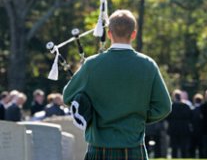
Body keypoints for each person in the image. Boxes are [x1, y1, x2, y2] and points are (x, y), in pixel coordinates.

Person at [63, 9, 172, 160]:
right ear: (133, 34)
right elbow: (164, 107)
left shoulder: (92, 65)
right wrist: (138, 117)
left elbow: (68, 96)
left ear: (109, 34)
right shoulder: (148, 65)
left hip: (99, 149)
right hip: (133, 147)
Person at [167, 89, 191, 158]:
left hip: (173, 128)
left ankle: (174, 157)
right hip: (184, 128)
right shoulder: (186, 106)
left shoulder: (171, 107)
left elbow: (167, 117)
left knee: (174, 146)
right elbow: (190, 116)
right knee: (184, 146)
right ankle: (184, 157)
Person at [190, 93, 204, 158]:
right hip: (201, 130)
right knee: (201, 145)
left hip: (193, 130)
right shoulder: (203, 109)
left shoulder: (192, 109)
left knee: (193, 145)